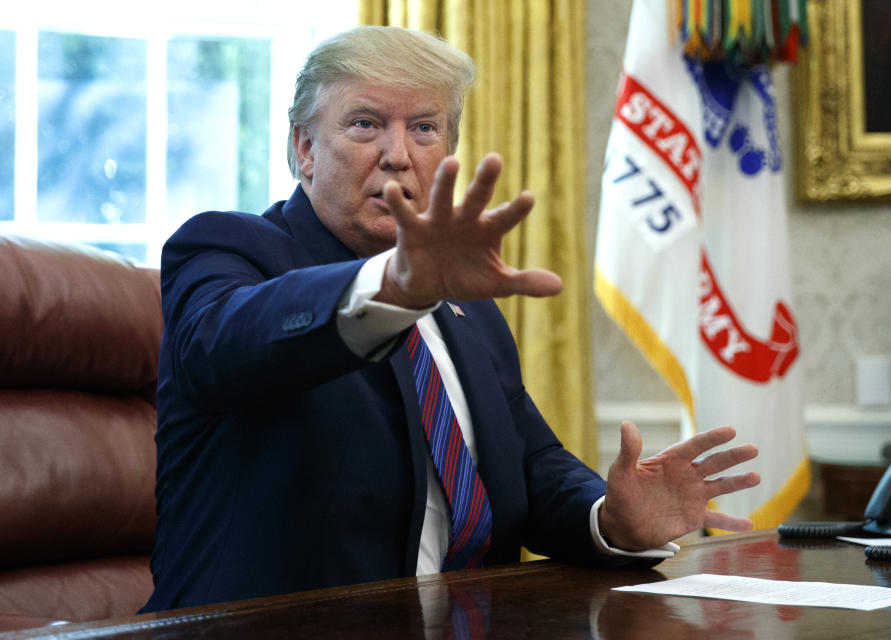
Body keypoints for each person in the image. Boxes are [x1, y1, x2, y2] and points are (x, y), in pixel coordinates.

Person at [141, 25, 760, 612]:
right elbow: (226, 343)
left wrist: (611, 520)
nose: (397, 156)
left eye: (425, 129)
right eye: (365, 124)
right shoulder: (227, 249)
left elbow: (531, 468)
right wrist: (393, 287)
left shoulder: (469, 310)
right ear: (304, 148)